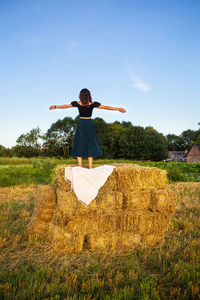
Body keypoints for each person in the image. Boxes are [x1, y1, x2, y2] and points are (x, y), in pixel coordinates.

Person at [49, 88, 126, 168]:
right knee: (90, 144)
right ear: (89, 95)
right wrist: (118, 109)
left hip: (81, 123)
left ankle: (80, 166)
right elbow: (106, 107)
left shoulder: (77, 103)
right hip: (89, 123)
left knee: (79, 143)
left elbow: (65, 106)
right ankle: (90, 166)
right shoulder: (92, 104)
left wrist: (55, 106)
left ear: (81, 96)